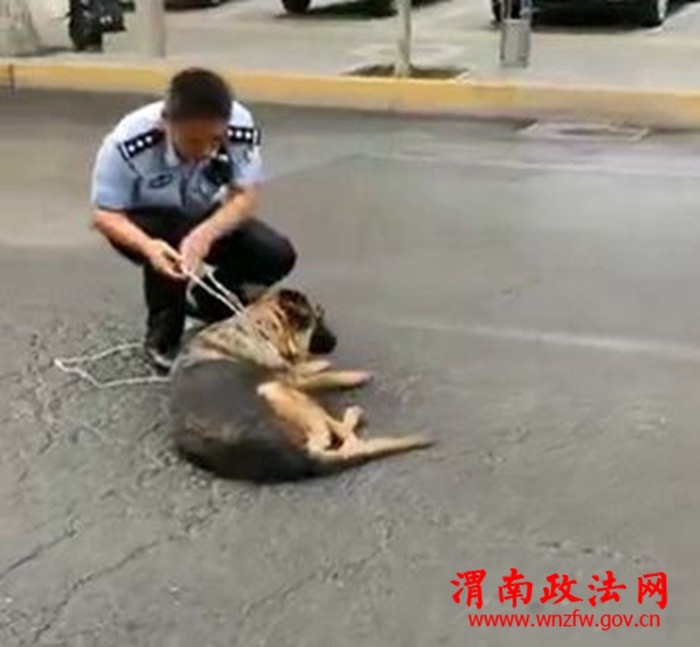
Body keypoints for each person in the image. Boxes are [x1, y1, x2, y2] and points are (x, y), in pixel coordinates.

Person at [90, 68, 296, 373]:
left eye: (215, 140)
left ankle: (210, 296)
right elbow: (105, 215)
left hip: (205, 213)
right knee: (169, 240)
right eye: (193, 141)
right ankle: (163, 332)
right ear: (166, 125)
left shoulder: (239, 124)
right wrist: (148, 247)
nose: (207, 151)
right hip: (148, 224)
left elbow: (245, 196)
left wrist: (204, 235)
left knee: (276, 254)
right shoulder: (127, 143)